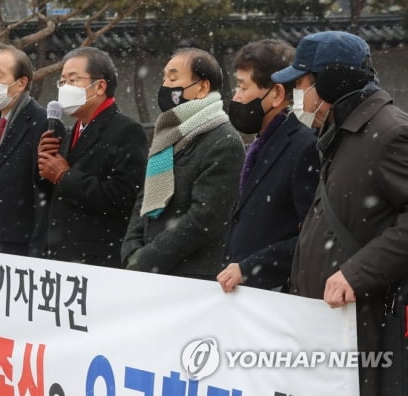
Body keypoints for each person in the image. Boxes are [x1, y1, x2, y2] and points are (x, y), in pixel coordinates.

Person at [271, 31, 408, 395]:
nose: (296, 97)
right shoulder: (344, 133)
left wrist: (355, 274)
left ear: (330, 82)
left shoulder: (389, 132)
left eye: (301, 83)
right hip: (329, 325)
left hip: (366, 325)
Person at [121, 48, 244, 279]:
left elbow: (204, 218)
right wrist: (131, 249)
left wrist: (148, 259)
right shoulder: (168, 134)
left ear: (202, 88)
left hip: (191, 276)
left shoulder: (223, 140)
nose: (166, 85)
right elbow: (145, 198)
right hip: (151, 273)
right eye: (165, 78)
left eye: (174, 78)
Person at [217, 39, 320, 292]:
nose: (236, 97)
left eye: (242, 87)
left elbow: (313, 238)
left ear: (276, 94)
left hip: (275, 297)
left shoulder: (303, 146)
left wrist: (250, 267)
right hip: (247, 294)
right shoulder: (264, 141)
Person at [36, 47, 148, 267]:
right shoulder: (71, 131)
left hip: (98, 258)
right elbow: (54, 193)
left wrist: (64, 176)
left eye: (73, 79)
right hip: (63, 253)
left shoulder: (126, 130)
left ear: (100, 86)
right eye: (62, 81)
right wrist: (44, 165)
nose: (65, 87)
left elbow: (124, 198)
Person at [0, 44, 48, 255]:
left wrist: (36, 253)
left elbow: (43, 196)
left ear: (21, 83)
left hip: (19, 249)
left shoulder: (41, 124)